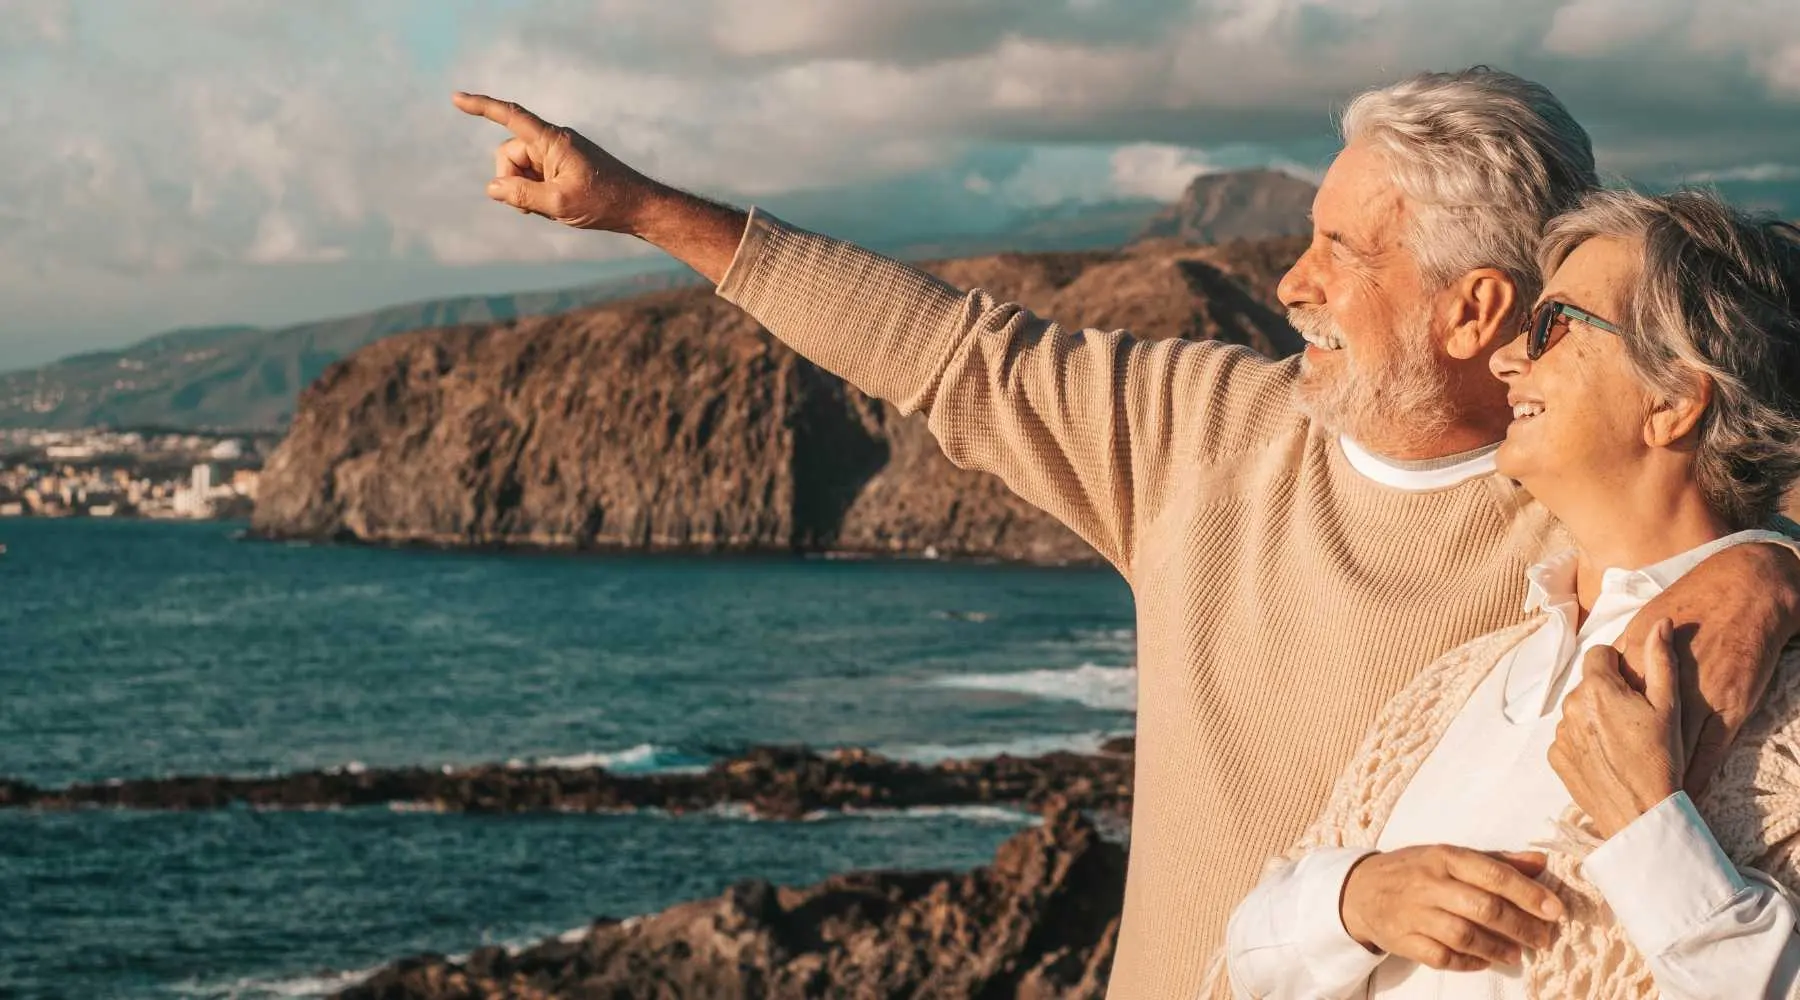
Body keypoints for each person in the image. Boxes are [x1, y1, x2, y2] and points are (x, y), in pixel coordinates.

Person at [451, 68, 1800, 996]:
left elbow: (1724, 460)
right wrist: (636, 207)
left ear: (1473, 313)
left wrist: (1767, 563)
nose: (1290, 280)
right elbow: (941, 349)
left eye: (1344, 251)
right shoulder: (1202, 432)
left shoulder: (1575, 523)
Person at [1220, 189, 1800, 999]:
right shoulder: (1454, 685)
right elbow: (1242, 958)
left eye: (1554, 324)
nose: (1506, 358)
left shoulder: (1788, 711)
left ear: (1673, 400)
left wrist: (1651, 834)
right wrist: (1349, 900)